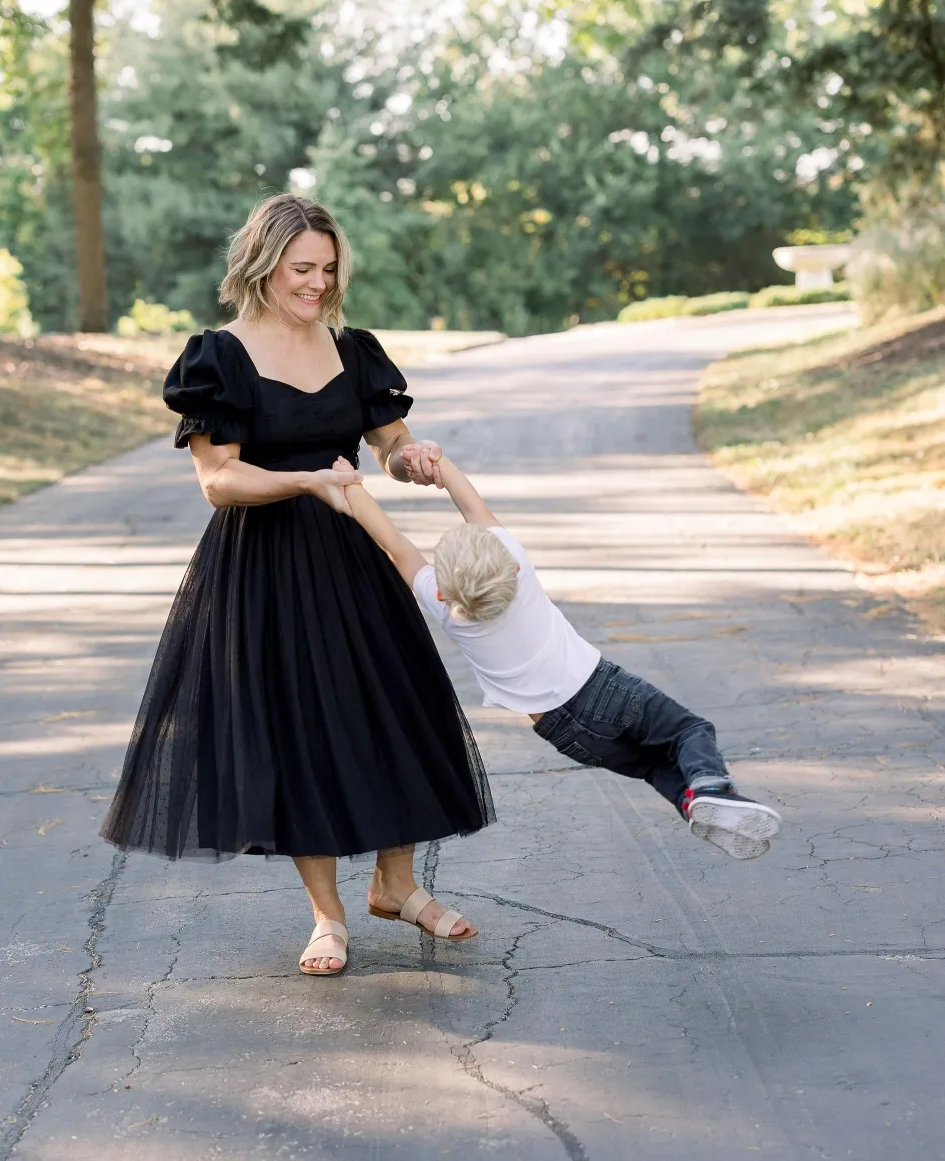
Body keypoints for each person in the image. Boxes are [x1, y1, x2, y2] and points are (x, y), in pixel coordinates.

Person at [99, 194, 494, 977]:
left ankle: (398, 885)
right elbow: (218, 480)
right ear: (263, 262)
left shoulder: (354, 349)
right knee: (301, 732)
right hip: (264, 568)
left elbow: (387, 440)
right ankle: (328, 915)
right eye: (302, 268)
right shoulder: (221, 356)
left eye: (329, 269)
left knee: (398, 707)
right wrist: (309, 479)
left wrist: (411, 458)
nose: (318, 284)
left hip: (355, 553)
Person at [338, 452, 783, 859]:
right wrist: (439, 463)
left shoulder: (447, 609)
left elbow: (394, 544)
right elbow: (472, 505)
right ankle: (713, 788)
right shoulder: (517, 570)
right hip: (602, 691)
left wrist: (351, 488)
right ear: (510, 566)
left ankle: (693, 806)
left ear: (443, 588)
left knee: (653, 767)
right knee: (688, 732)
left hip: (561, 732)